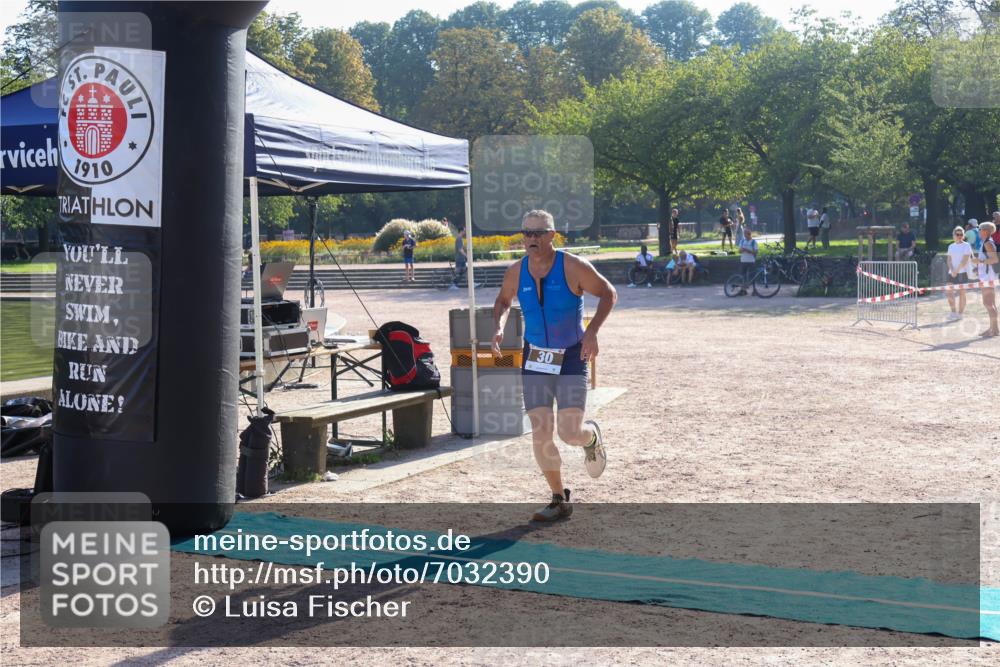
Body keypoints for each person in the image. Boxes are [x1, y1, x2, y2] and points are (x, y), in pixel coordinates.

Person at [492, 209, 617, 522]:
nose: (531, 239)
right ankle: (559, 498)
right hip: (535, 357)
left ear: (552, 235)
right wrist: (498, 326)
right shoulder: (515, 272)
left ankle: (590, 439)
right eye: (526, 233)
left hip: (571, 355)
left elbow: (608, 293)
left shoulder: (572, 266)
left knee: (569, 432)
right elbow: (503, 301)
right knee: (540, 431)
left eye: (538, 233)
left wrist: (592, 332)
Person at [972, 221, 998, 336]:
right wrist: (978, 267)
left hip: (988, 276)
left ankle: (993, 329)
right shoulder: (986, 242)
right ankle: (994, 329)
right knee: (990, 303)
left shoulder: (988, 243)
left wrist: (979, 261)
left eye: (980, 229)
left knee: (988, 303)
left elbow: (995, 260)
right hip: (987, 275)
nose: (978, 231)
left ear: (985, 231)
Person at [945, 226, 972, 321]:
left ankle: (960, 314)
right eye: (957, 234)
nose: (959, 236)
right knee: (949, 292)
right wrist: (952, 270)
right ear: (954, 235)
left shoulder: (966, 245)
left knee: (962, 293)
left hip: (962, 272)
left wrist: (956, 271)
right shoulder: (951, 246)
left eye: (961, 234)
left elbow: (964, 261)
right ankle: (953, 312)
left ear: (963, 235)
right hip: (951, 273)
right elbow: (949, 260)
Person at [737, 227, 758, 295]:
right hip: (743, 261)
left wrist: (747, 250)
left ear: (749, 234)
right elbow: (739, 251)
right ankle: (743, 290)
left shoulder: (754, 242)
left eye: (746, 234)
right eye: (745, 234)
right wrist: (742, 250)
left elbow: (756, 252)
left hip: (751, 261)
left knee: (753, 276)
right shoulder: (742, 241)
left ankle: (754, 290)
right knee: (743, 276)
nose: (745, 235)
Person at [451, 226, 467, 290]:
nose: (465, 232)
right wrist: (466, 255)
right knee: (457, 271)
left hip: (461, 258)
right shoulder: (459, 239)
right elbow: (460, 249)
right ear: (461, 231)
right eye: (464, 231)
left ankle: (471, 282)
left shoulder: (460, 238)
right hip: (459, 258)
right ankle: (452, 284)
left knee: (465, 271)